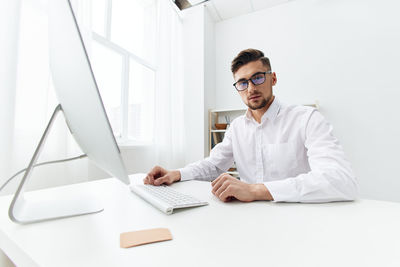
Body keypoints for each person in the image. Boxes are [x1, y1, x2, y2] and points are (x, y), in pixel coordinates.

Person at [144, 48, 358, 203]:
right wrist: (175, 173)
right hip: (248, 220)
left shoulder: (306, 118)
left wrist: (256, 190)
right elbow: (214, 166)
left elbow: (341, 180)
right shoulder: (236, 128)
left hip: (298, 218)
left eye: (257, 78)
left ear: (272, 78)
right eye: (242, 83)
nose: (250, 88)